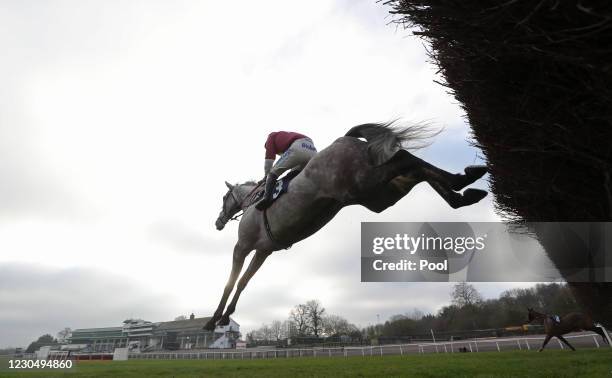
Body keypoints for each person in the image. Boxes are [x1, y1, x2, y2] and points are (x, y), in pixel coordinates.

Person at [255, 131, 317, 210]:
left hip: (298, 146)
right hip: (312, 149)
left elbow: (269, 160)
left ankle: (266, 199)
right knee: (294, 173)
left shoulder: (271, 137)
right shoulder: (284, 137)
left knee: (273, 172)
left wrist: (266, 176)